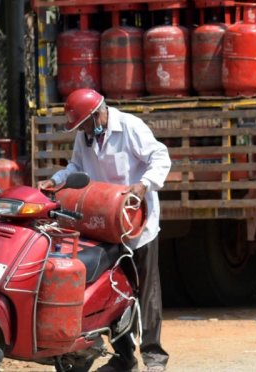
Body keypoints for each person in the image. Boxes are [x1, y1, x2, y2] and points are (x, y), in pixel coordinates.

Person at [38, 88, 171, 372]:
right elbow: (76, 166)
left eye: (84, 123)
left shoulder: (130, 127)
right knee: (111, 291)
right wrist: (57, 180)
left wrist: (144, 184)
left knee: (146, 291)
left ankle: (154, 356)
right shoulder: (84, 136)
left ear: (97, 113)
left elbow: (159, 155)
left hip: (137, 222)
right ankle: (124, 358)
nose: (83, 130)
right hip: (103, 223)